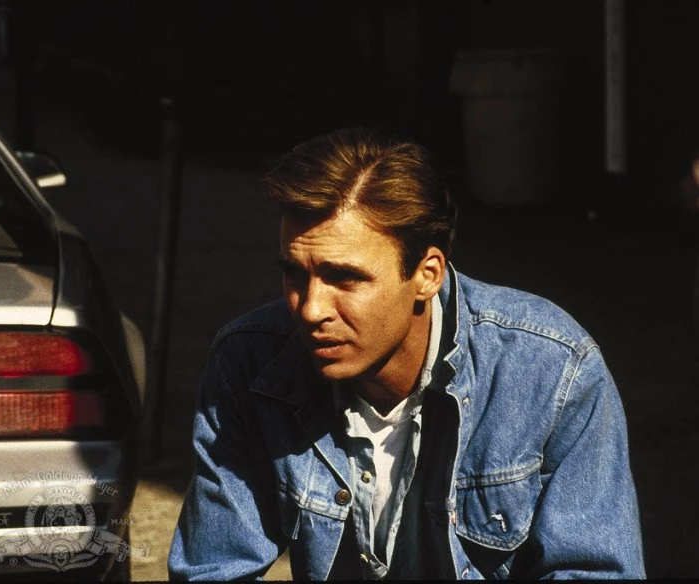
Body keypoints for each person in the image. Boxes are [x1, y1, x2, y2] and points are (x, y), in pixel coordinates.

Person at [168, 128, 645, 580]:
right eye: (295, 274)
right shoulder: (249, 361)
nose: (310, 309)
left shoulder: (552, 369)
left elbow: (593, 568)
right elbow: (215, 568)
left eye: (344, 278)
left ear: (427, 274)